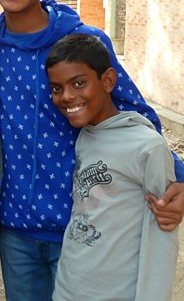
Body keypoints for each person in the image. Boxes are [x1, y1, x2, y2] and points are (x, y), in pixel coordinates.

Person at [0, 0, 184, 300]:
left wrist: (178, 179)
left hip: (85, 226)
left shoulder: (84, 41)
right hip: (16, 229)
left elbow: (138, 117)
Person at [46, 34, 178, 300]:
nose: (67, 96)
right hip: (68, 289)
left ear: (107, 81)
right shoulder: (85, 135)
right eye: (57, 88)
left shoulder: (147, 147)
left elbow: (162, 234)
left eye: (79, 83)